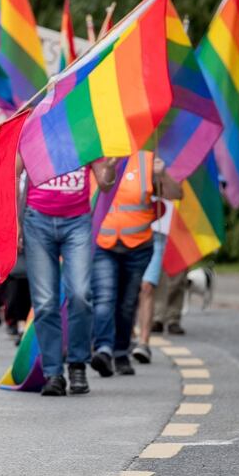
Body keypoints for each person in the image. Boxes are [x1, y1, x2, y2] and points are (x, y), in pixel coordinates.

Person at [17, 151, 118, 397]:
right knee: (45, 302)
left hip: (77, 223)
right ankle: (53, 373)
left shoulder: (84, 134)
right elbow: (13, 174)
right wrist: (15, 223)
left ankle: (77, 365)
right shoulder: (33, 129)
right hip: (37, 221)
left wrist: (111, 168)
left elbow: (104, 185)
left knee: (81, 294)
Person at [91, 151, 182, 377]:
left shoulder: (148, 161)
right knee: (104, 299)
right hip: (104, 244)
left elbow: (176, 194)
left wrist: (163, 176)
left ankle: (121, 353)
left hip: (138, 247)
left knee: (126, 304)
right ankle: (103, 349)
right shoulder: (99, 156)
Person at [132, 198, 174, 364]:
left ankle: (143, 342)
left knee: (147, 287)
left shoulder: (168, 170)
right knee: (128, 288)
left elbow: (177, 192)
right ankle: (127, 335)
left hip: (157, 233)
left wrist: (162, 175)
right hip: (128, 229)